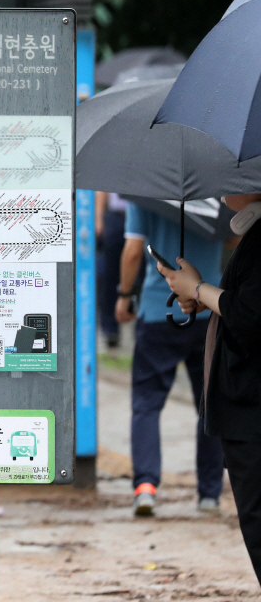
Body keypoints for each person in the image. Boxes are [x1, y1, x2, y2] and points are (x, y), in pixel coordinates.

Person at [159, 193, 261, 584]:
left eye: (229, 180)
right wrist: (202, 297)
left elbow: (251, 315)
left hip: (252, 410)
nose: (220, 191)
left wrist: (199, 289)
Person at [117, 202, 223, 516]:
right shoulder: (216, 188)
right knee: (209, 404)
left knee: (147, 403)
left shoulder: (145, 193)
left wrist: (124, 295)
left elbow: (133, 251)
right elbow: (234, 239)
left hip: (157, 309)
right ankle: (209, 493)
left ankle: (145, 487)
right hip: (208, 309)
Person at [97, 191, 129, 347]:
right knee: (110, 276)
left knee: (140, 274)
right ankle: (110, 328)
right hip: (116, 217)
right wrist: (98, 218)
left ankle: (137, 320)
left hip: (138, 214)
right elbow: (102, 190)